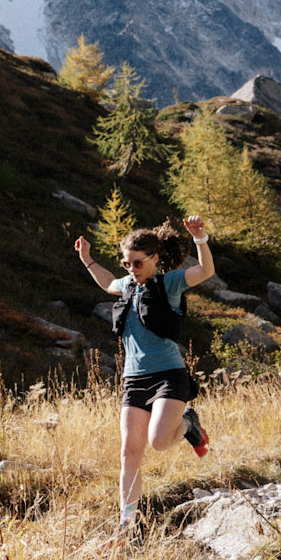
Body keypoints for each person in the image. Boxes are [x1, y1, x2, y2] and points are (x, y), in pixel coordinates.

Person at [74, 217, 214, 532]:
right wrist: (87, 260)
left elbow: (205, 272)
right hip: (134, 380)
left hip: (168, 374)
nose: (131, 269)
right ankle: (126, 521)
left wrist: (200, 239)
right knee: (129, 450)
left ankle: (189, 422)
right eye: (126, 263)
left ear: (154, 259)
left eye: (138, 263)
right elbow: (108, 281)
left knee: (159, 441)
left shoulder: (170, 282)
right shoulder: (126, 284)